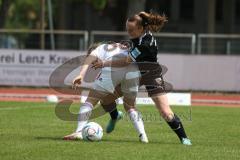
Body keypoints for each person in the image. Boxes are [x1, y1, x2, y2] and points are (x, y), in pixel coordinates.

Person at [92, 11, 192, 145]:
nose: (129, 32)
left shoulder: (144, 44)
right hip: (134, 75)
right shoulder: (140, 31)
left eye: (131, 30)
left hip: (151, 75)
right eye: (127, 29)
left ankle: (184, 138)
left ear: (140, 28)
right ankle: (115, 116)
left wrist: (104, 63)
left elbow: (126, 61)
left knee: (165, 112)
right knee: (105, 100)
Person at [63, 42, 149, 143]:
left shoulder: (100, 48)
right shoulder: (119, 46)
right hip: (134, 70)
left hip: (114, 67)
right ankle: (143, 135)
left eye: (94, 61)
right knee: (128, 106)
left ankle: (79, 131)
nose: (93, 63)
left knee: (91, 100)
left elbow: (90, 57)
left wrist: (81, 75)